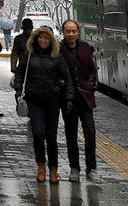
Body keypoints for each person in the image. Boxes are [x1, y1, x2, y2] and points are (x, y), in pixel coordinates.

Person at [13, 25, 73, 183]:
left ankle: (54, 170)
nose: (43, 41)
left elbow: (67, 78)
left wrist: (68, 98)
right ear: (35, 39)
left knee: (51, 137)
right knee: (38, 134)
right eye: (41, 37)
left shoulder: (57, 56)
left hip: (52, 100)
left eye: (47, 38)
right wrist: (19, 92)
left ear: (51, 40)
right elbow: (19, 73)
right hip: (34, 100)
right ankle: (41, 166)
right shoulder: (29, 54)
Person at [59, 18, 101, 183]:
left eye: (74, 31)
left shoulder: (85, 49)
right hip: (68, 98)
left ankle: (91, 168)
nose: (71, 34)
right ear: (63, 32)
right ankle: (74, 168)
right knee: (71, 134)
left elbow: (92, 69)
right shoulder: (59, 51)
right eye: (68, 31)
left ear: (78, 32)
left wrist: (90, 85)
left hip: (85, 97)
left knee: (90, 133)